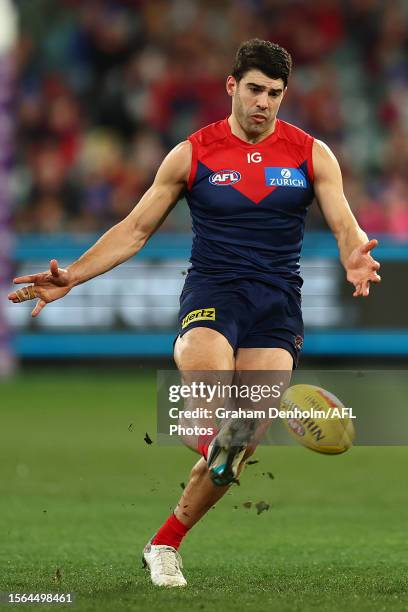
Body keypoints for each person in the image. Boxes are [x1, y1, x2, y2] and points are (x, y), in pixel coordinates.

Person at [8, 39, 381, 588]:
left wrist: (354, 253)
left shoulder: (309, 153)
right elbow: (135, 230)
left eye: (275, 94)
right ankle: (216, 445)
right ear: (232, 86)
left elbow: (346, 223)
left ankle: (164, 543)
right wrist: (74, 275)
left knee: (245, 440)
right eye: (255, 89)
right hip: (213, 295)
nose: (264, 103)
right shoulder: (192, 153)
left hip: (277, 305)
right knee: (208, 400)